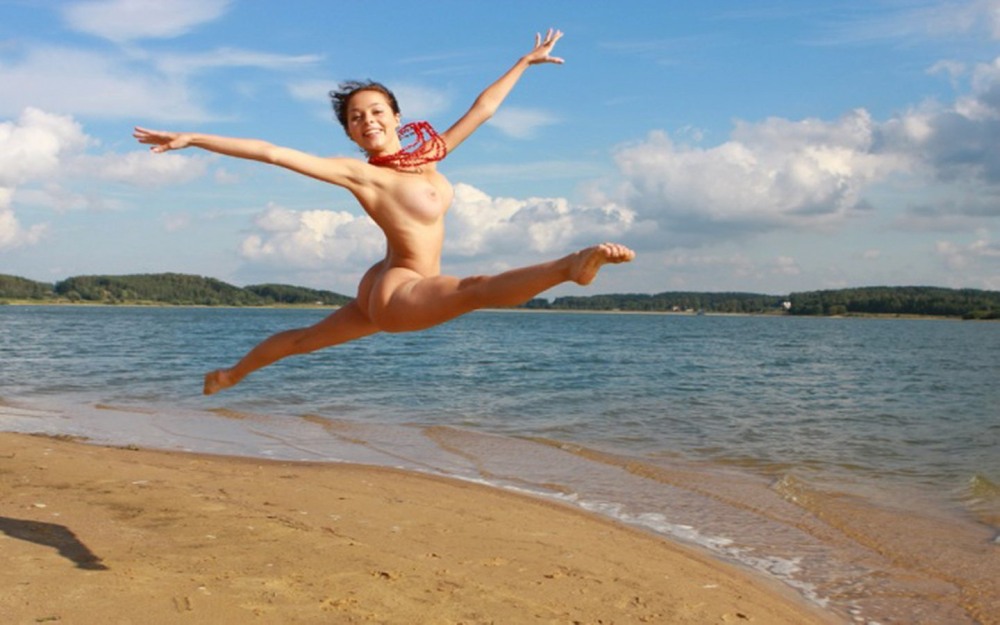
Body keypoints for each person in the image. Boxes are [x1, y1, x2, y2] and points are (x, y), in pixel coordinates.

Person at [134, 29, 635, 395]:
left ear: (396, 117)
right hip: (399, 291)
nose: (367, 120)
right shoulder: (363, 174)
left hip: (381, 284)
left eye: (375, 111)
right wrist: (194, 138)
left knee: (305, 340)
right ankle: (569, 267)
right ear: (351, 134)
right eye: (356, 118)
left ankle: (228, 375)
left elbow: (483, 110)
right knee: (474, 288)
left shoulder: (429, 156)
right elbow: (272, 151)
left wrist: (525, 62)